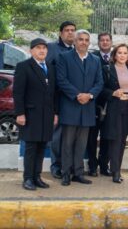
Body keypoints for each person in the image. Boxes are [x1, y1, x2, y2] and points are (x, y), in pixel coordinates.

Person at [57, 29, 103, 186]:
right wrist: (77, 95)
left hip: (87, 108)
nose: (83, 42)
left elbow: (99, 83)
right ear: (75, 41)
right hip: (70, 106)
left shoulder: (95, 60)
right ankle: (65, 173)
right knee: (67, 143)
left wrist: (89, 96)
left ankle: (78, 173)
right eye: (80, 39)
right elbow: (61, 80)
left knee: (81, 144)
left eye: (86, 40)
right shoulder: (64, 57)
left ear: (89, 42)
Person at [13, 38, 58, 190]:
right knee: (31, 148)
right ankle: (27, 179)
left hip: (47, 115)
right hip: (30, 115)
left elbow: (54, 93)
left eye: (44, 48)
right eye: (38, 48)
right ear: (31, 50)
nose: (42, 50)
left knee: (42, 147)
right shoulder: (23, 66)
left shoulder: (50, 68)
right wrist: (20, 113)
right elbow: (18, 93)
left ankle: (37, 177)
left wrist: (55, 113)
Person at [100, 44, 128, 183]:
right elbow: (101, 89)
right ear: (114, 55)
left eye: (125, 53)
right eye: (120, 53)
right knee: (115, 140)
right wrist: (113, 93)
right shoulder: (107, 69)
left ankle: (116, 169)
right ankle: (115, 172)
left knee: (122, 140)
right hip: (114, 107)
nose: (122, 55)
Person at [47, 21, 76, 179]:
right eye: (67, 30)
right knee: (57, 136)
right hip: (56, 99)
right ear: (60, 33)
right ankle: (56, 166)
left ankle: (68, 166)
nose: (70, 33)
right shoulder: (52, 48)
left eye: (73, 30)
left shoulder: (77, 50)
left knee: (71, 136)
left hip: (73, 100)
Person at [87, 32, 113, 177]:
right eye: (102, 40)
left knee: (107, 137)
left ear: (111, 42)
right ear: (98, 42)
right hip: (95, 104)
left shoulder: (116, 58)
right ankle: (92, 166)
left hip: (111, 105)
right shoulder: (93, 58)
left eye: (107, 40)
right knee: (91, 137)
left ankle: (104, 166)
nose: (104, 42)